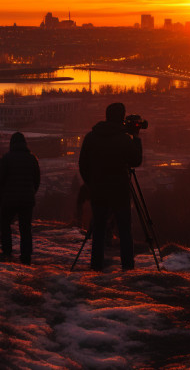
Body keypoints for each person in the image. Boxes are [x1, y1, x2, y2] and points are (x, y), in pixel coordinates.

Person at [78, 102, 143, 271]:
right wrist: (136, 137)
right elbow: (136, 161)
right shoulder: (123, 138)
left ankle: (96, 267)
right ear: (121, 117)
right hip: (120, 190)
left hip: (98, 190)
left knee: (98, 230)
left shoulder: (91, 137)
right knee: (124, 230)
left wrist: (91, 183)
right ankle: (128, 268)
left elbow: (83, 165)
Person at [0, 132, 41, 265]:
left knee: (5, 224)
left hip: (9, 198)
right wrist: (31, 192)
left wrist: (2, 195)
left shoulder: (6, 159)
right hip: (26, 199)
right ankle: (26, 256)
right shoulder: (32, 158)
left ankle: (7, 251)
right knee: (25, 228)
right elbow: (37, 180)